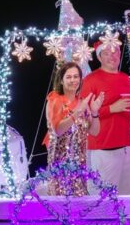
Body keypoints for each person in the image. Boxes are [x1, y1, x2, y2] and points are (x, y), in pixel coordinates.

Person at [81, 40, 130, 195]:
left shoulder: (125, 78)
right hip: (103, 148)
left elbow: (129, 109)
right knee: (103, 198)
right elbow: (84, 115)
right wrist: (112, 108)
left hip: (127, 147)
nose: (112, 56)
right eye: (106, 53)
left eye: (115, 52)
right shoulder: (91, 80)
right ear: (99, 57)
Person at [44, 62, 104, 195]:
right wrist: (77, 112)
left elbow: (94, 131)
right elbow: (58, 130)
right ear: (61, 80)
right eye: (69, 77)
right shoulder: (55, 100)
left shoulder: (82, 102)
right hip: (60, 166)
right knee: (61, 201)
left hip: (79, 165)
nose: (73, 80)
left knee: (79, 201)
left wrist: (94, 112)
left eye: (76, 76)